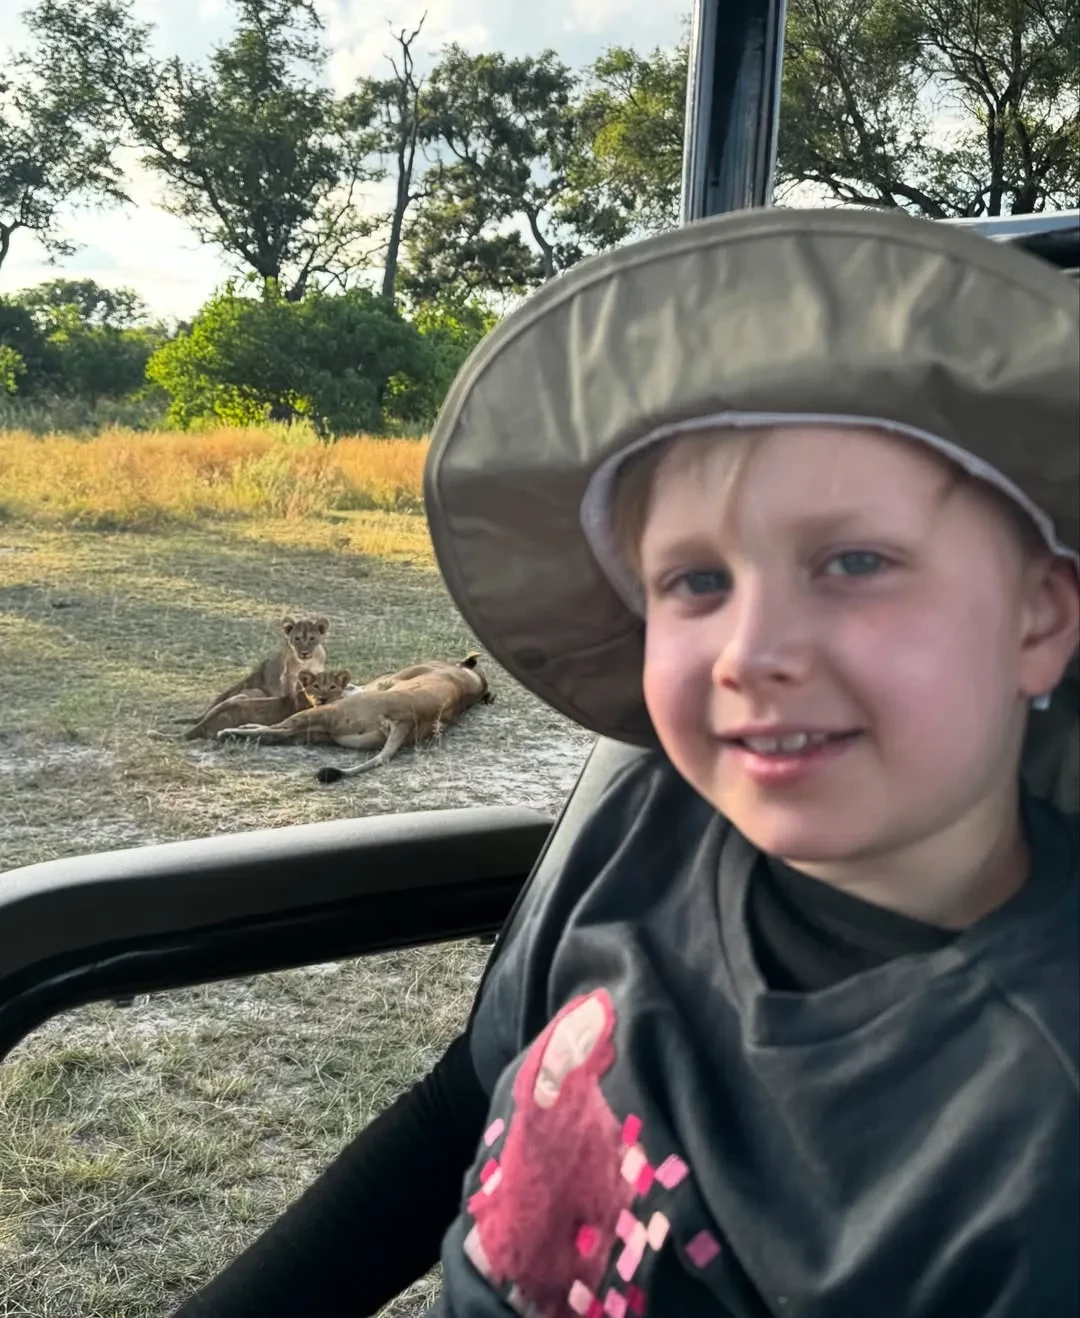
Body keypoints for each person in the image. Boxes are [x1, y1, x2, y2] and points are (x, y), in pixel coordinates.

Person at [176, 207, 1079, 1317]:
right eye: (697, 582)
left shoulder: (1040, 1123)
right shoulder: (652, 813)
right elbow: (465, 1099)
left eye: (854, 561)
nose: (750, 653)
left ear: (1040, 618)